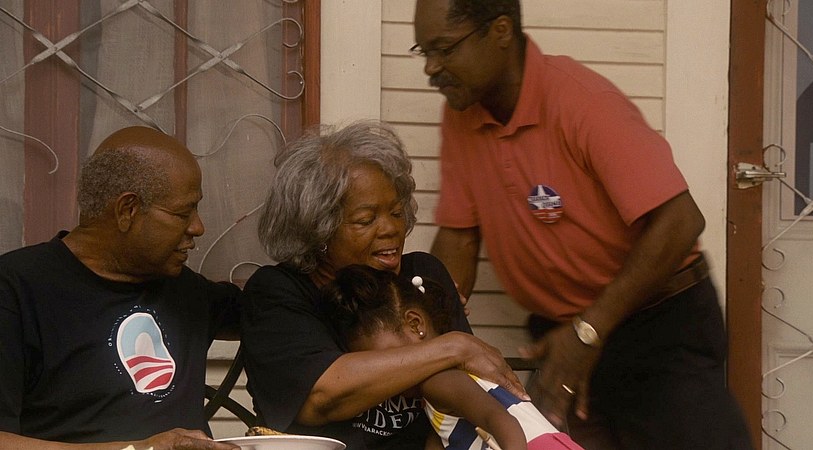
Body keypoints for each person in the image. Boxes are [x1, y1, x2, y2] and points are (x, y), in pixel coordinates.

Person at [411, 1, 754, 448]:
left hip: (657, 330)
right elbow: (459, 238)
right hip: (566, 336)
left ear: (500, 31)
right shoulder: (462, 114)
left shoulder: (582, 100)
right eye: (425, 52)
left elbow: (680, 221)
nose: (431, 67)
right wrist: (425, 342)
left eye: (445, 49)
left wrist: (587, 333)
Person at [240, 120, 525, 450]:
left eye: (396, 212)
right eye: (366, 219)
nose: (391, 229)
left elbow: (464, 393)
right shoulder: (277, 291)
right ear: (317, 231)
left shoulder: (422, 273)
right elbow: (322, 397)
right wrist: (453, 347)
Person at [0, 126, 241, 450]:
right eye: (182, 213)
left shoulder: (186, 290)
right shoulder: (16, 291)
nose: (198, 227)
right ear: (128, 210)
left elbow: (277, 310)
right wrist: (138, 449)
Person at [320, 264, 584, 450]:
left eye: (387, 359)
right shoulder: (437, 395)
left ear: (415, 324)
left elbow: (501, 421)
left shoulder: (438, 379)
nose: (386, 374)